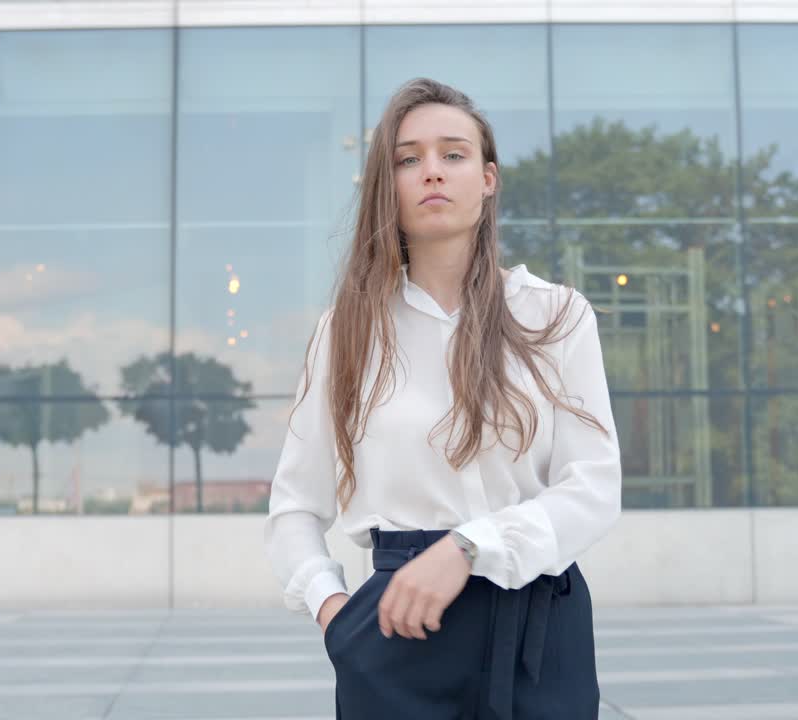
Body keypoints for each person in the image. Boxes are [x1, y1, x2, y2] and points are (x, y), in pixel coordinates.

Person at [264, 77, 621, 719]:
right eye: (409, 158)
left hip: (541, 627)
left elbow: (593, 488)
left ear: (488, 179)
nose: (432, 171)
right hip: (397, 634)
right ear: (388, 186)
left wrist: (467, 548)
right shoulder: (347, 331)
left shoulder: (556, 315)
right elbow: (294, 505)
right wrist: (334, 614)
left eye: (453, 154)